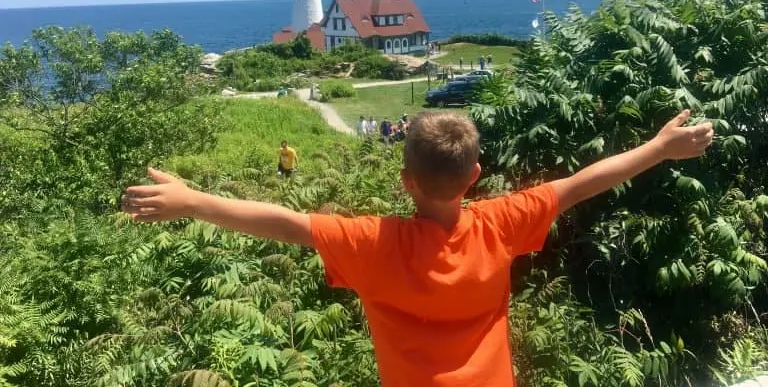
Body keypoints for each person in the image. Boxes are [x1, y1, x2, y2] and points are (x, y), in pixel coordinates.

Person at [122, 110, 713, 386]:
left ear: (407, 180)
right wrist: (660, 146)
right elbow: (583, 182)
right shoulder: (502, 223)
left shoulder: (373, 243)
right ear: (475, 173)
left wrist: (194, 199)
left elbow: (284, 221)